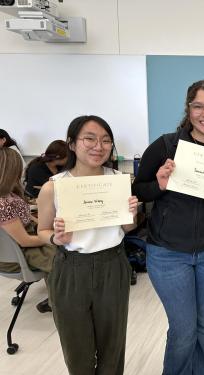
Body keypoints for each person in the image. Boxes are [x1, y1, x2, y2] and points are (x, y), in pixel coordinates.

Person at [132, 80, 204, 375]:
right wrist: (159, 184)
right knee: (183, 329)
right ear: (189, 110)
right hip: (168, 254)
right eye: (198, 106)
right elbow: (138, 190)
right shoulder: (166, 146)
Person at [37, 115, 138, 375]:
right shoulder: (54, 187)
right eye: (89, 139)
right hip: (70, 269)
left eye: (106, 140)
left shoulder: (119, 180)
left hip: (112, 265)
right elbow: (42, 231)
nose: (99, 146)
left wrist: (132, 214)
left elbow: (128, 229)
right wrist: (55, 238)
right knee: (77, 351)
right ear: (72, 144)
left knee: (112, 349)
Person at [0, 147, 55, 312]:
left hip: (21, 244)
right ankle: (58, 303)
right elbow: (24, 241)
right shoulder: (4, 204)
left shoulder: (9, 196)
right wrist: (51, 237)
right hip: (18, 253)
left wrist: (43, 226)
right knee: (61, 258)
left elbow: (22, 218)